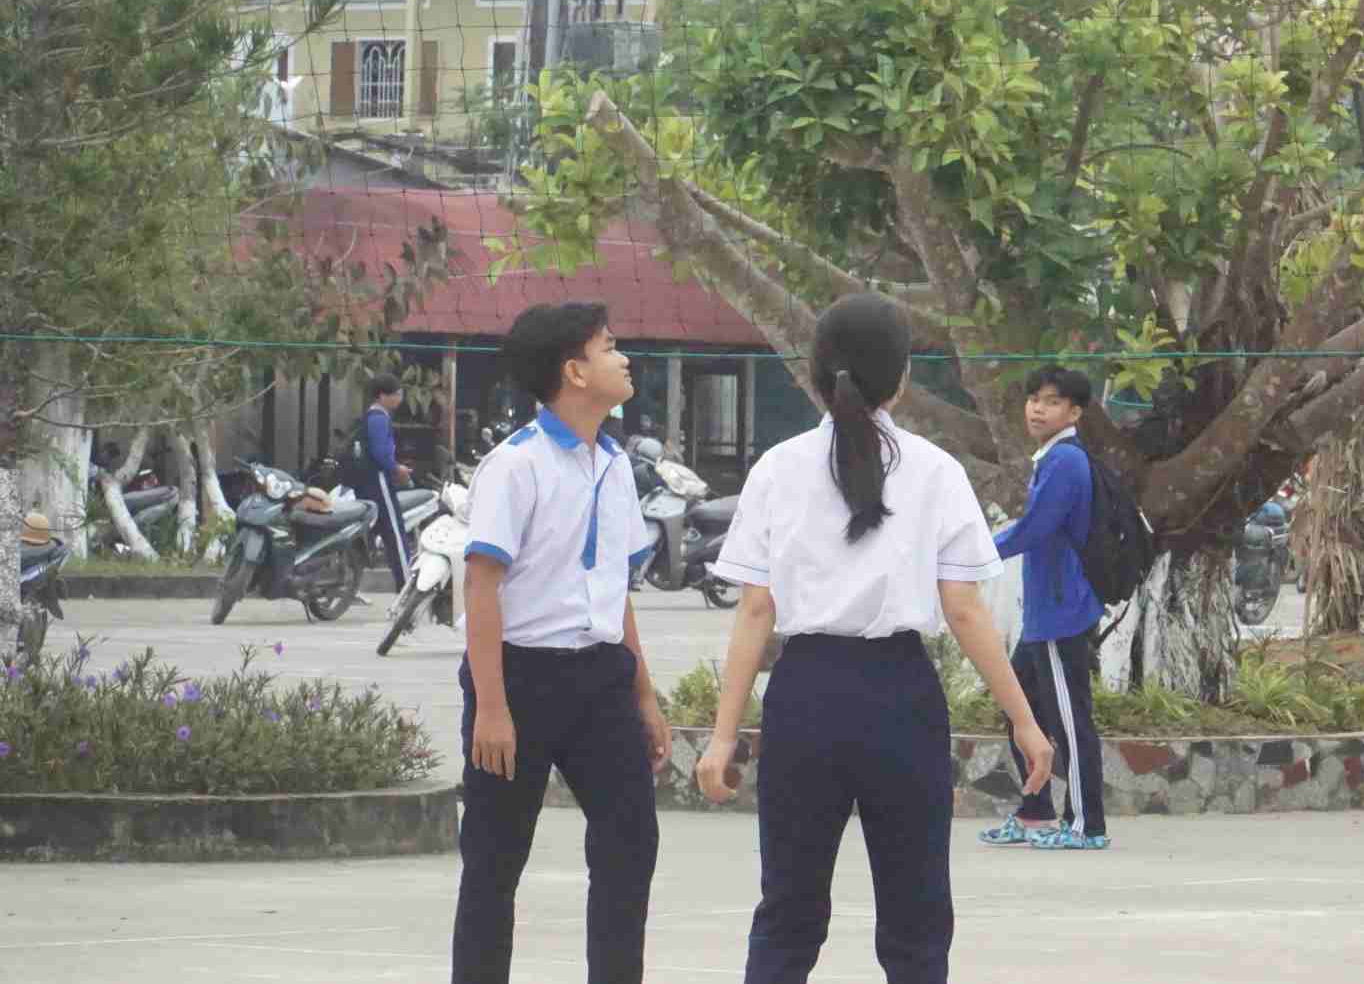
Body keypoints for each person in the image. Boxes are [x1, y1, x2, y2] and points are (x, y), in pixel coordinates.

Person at [695, 291, 1054, 984]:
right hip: (901, 697)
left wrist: (721, 735)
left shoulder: (776, 468)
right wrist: (1024, 719)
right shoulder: (936, 471)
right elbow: (966, 610)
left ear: (815, 370)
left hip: (804, 696)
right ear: (902, 378)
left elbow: (756, 613)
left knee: (789, 912)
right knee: (918, 918)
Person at [452, 302, 671, 984]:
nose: (624, 358)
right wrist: (492, 706)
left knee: (631, 842)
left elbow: (616, 589)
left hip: (602, 680)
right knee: (495, 860)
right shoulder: (514, 465)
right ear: (575, 371)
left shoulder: (613, 463)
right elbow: (481, 586)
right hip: (519, 679)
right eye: (610, 346)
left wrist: (645, 692)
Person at [977, 365, 1112, 852]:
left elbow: (1036, 528)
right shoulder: (1051, 458)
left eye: (1052, 401)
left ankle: (1085, 825)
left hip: (1062, 613)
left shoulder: (1066, 462)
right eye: (1034, 398)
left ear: (1074, 412)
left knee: (1069, 721)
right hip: (1043, 614)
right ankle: (1035, 814)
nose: (1038, 407)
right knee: (1023, 712)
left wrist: (978, 552)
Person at [356, 374, 414, 591]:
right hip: (378, 481)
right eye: (397, 394)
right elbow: (381, 453)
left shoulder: (369, 417)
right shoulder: (380, 419)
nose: (400, 398)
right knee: (395, 532)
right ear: (382, 396)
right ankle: (406, 582)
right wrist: (397, 468)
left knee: (379, 530)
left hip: (365, 481)